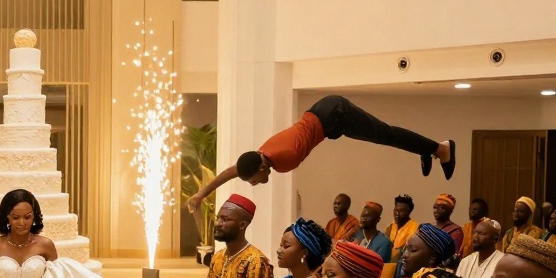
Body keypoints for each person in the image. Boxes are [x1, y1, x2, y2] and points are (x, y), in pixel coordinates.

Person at [186, 97, 455, 213]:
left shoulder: (284, 159)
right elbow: (227, 173)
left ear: (260, 169)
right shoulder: (260, 155)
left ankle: (440, 149)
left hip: (334, 114)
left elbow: (315, 137)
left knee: (385, 134)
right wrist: (201, 194)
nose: (253, 184)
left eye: (252, 181)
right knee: (385, 136)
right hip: (324, 116)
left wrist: (334, 130)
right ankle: (425, 148)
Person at [384, 195, 417, 267]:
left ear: (409, 212)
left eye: (401, 211)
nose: (397, 214)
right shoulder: (390, 227)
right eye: (396, 210)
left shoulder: (415, 228)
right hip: (386, 265)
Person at [432, 193, 463, 261]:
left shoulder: (455, 230)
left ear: (450, 211)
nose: (437, 210)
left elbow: (452, 255)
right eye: (435, 207)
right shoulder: (430, 229)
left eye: (441, 208)